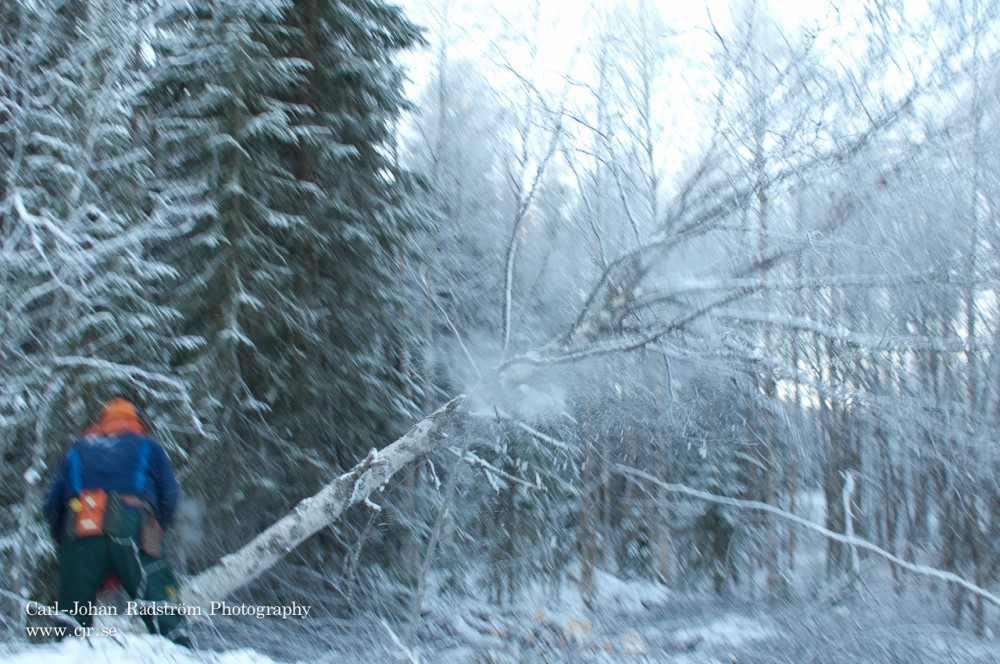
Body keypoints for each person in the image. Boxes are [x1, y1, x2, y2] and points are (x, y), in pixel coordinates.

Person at [43, 398, 191, 647]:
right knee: (161, 603)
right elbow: (170, 495)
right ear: (136, 422)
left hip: (81, 523)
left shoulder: (79, 449)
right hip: (134, 519)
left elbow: (51, 505)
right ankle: (181, 651)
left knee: (72, 616)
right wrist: (157, 529)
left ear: (103, 422)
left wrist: (69, 548)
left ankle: (66, 652)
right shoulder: (149, 446)